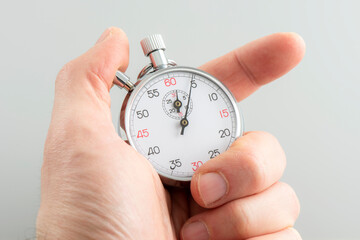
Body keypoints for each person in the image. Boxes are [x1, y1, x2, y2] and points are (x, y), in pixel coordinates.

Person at [36, 27, 305, 240]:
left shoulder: (203, 98)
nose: (181, 119)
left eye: (183, 109)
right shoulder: (137, 117)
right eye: (177, 111)